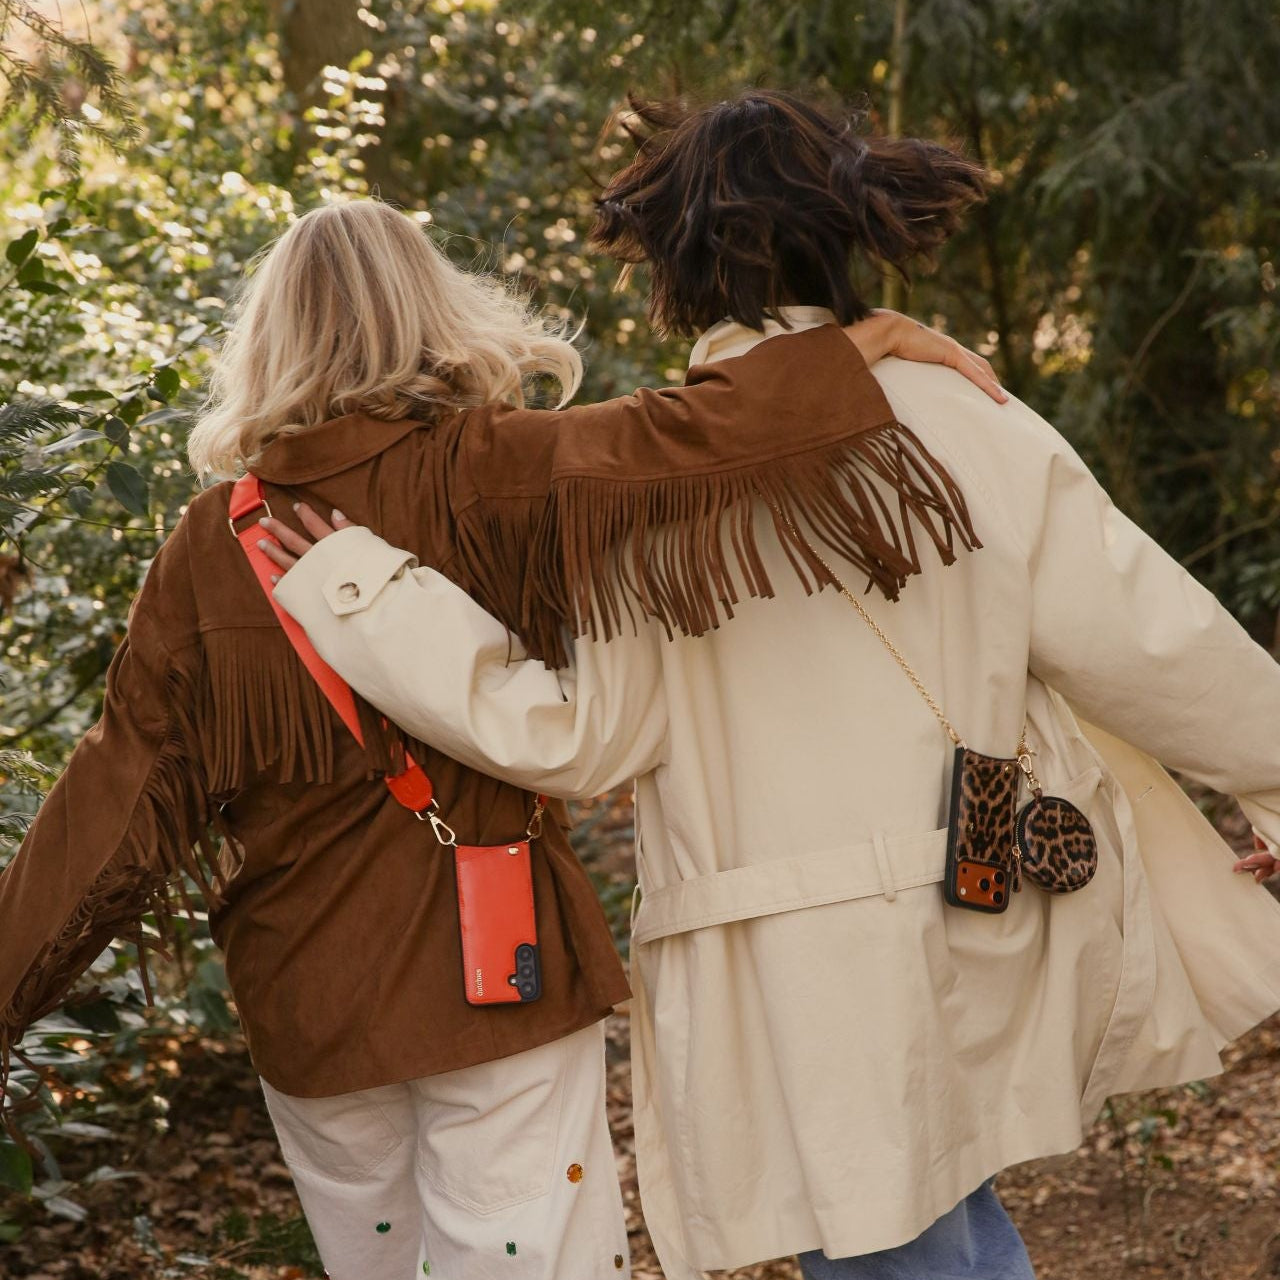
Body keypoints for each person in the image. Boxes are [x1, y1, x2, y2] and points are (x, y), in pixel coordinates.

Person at [262, 93, 1280, 1280]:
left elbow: (581, 739)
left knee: (898, 1247)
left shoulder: (641, 472)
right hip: (977, 896)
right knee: (943, 1228)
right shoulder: (962, 413)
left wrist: (362, 595)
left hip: (783, 972)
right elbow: (1149, 642)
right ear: (845, 229)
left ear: (673, 264)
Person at [0, 197, 999, 1280]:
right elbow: (687, 433)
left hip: (311, 1010)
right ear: (432, 312)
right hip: (500, 984)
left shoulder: (208, 545)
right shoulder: (491, 468)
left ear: (269, 343)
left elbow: (109, 805)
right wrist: (861, 346)